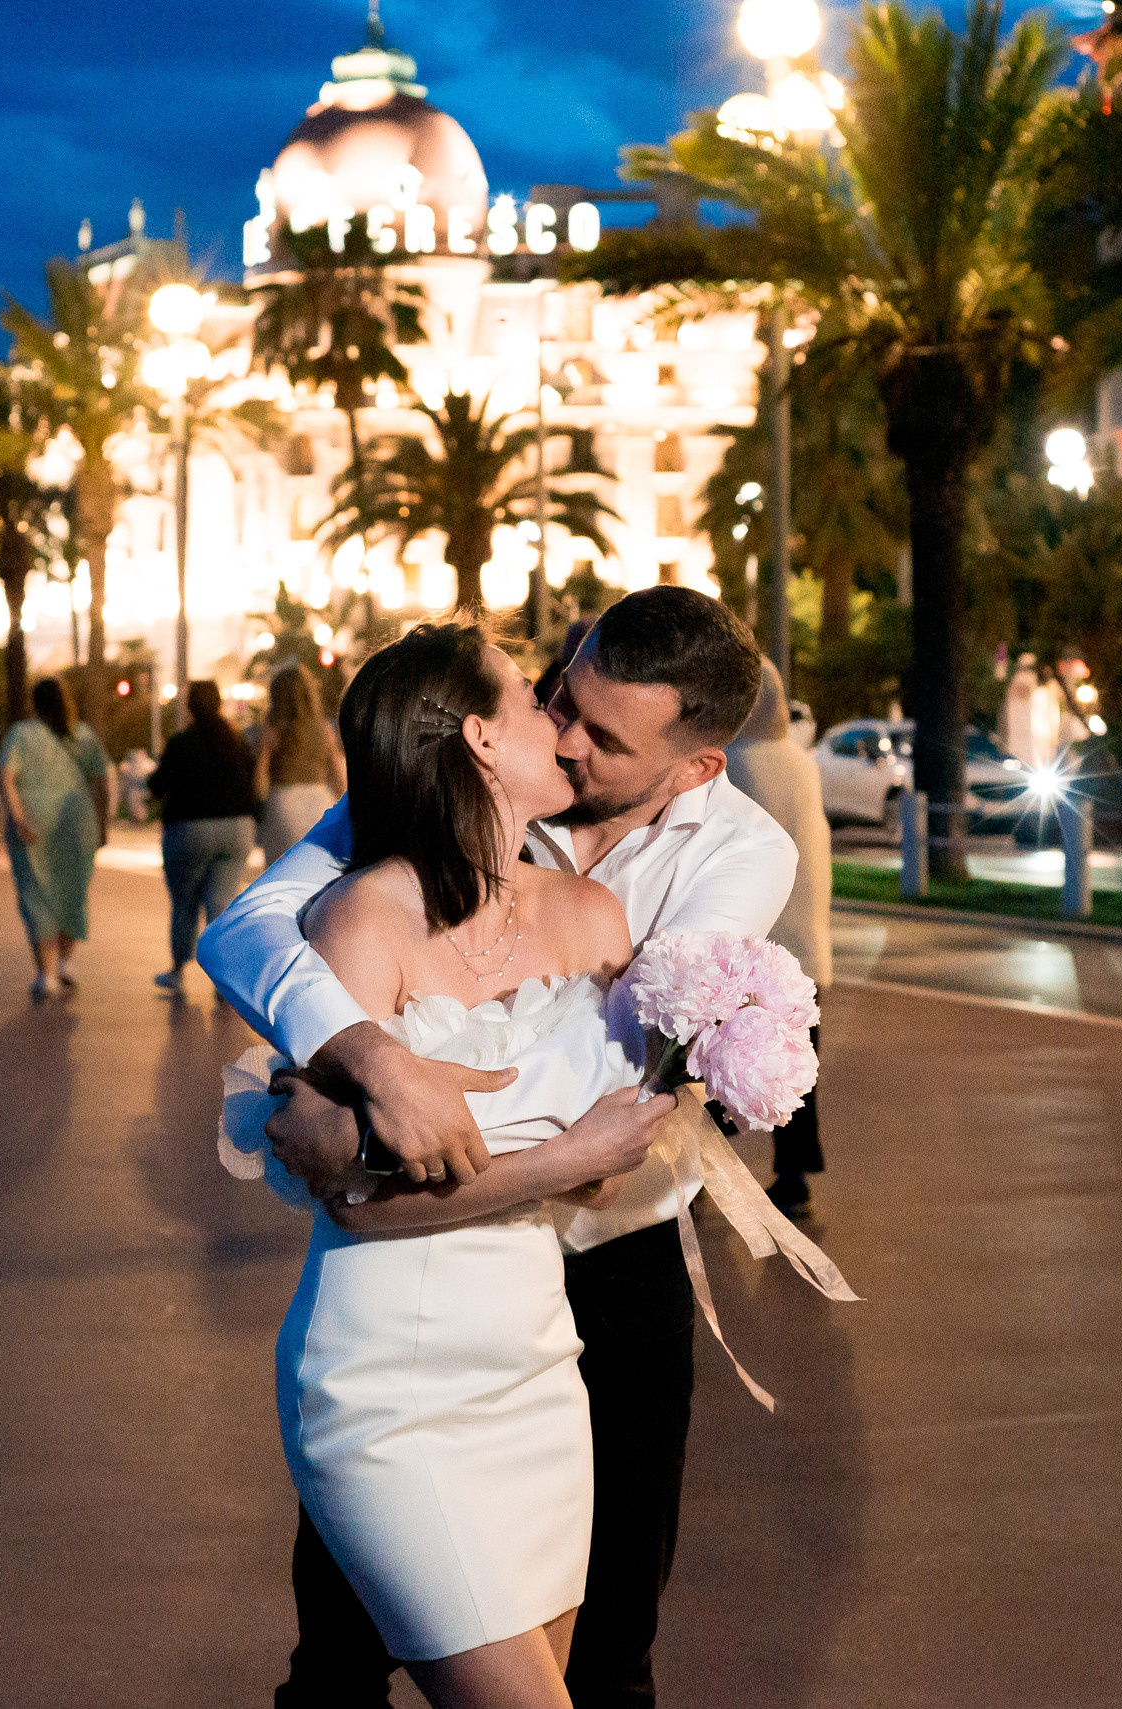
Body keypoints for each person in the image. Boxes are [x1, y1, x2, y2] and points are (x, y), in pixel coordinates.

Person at [200, 587, 798, 1709]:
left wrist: (342, 1120)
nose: (567, 736)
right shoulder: (455, 783)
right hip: (409, 1315)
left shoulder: (736, 862)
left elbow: (623, 1100)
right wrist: (365, 1062)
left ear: (696, 765)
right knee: (338, 1650)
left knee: (606, 1649)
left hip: (602, 1281)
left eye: (606, 737)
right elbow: (247, 925)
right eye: (561, 696)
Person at [721, 661, 834, 1215]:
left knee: (717, 1059)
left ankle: (703, 1172)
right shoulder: (802, 762)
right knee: (796, 1064)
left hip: (755, 939)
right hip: (805, 940)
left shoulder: (735, 762)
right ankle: (794, 1172)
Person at [0, 677, 112, 999]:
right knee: (72, 891)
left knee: (36, 894)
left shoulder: (21, 733)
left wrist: (17, 817)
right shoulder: (83, 734)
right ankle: (63, 964)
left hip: (33, 822)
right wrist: (103, 824)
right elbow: (103, 781)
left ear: (35, 702)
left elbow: (6, 776)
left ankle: (45, 973)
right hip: (77, 822)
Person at [147, 680, 257, 994]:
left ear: (190, 707)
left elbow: (157, 785)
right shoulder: (235, 742)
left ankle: (178, 971)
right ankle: (225, 982)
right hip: (237, 828)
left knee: (185, 903)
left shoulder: (182, 743)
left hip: (190, 830)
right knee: (221, 903)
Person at [255, 665, 346, 865]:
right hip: (321, 803)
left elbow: (259, 784)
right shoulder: (324, 730)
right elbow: (339, 780)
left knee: (283, 877)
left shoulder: (272, 729)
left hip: (284, 803)